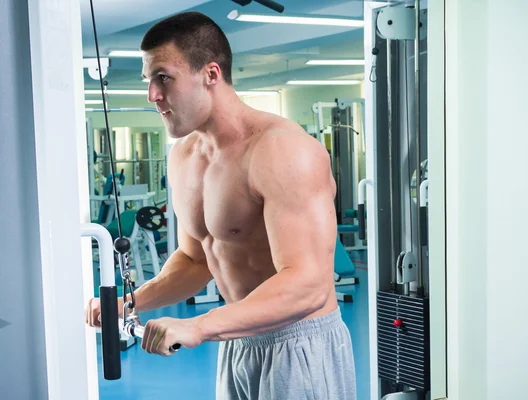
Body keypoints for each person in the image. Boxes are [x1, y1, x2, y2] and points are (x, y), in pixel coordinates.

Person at [85, 11, 356, 400]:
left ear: (211, 74)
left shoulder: (281, 150)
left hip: (299, 345)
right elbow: (196, 260)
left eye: (163, 77)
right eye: (149, 81)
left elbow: (308, 285)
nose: (152, 95)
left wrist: (199, 326)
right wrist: (129, 302)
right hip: (237, 341)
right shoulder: (184, 156)